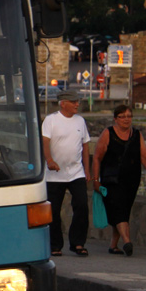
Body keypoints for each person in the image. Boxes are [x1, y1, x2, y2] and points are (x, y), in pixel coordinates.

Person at [91, 104, 146, 256]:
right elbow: (97, 157)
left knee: (123, 211)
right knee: (118, 209)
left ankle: (113, 245)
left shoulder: (136, 135)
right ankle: (127, 241)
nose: (126, 120)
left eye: (129, 116)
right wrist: (96, 179)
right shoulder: (108, 133)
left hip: (131, 180)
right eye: (122, 117)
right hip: (111, 180)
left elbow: (145, 156)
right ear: (115, 119)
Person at [42, 89, 92, 256]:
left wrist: (87, 169)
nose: (77, 104)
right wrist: (49, 160)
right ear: (63, 104)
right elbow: (45, 143)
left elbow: (85, 146)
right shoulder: (51, 120)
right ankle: (55, 245)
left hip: (76, 172)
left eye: (78, 101)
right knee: (53, 210)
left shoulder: (80, 121)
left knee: (82, 206)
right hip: (54, 174)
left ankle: (78, 243)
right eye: (73, 102)